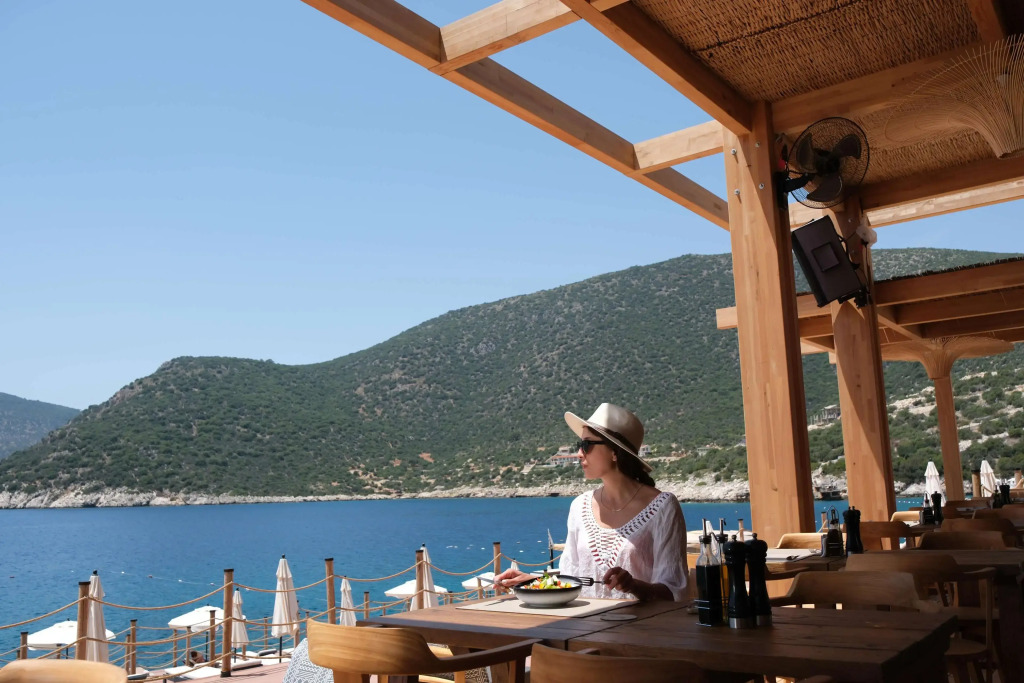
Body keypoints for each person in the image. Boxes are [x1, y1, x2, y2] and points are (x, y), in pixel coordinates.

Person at [494, 403, 688, 601]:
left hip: (641, 622)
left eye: (586, 445)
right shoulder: (580, 506)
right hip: (585, 622)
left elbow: (674, 591)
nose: (579, 453)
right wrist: (530, 581)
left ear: (614, 452)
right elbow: (571, 579)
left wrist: (634, 586)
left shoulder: (662, 508)